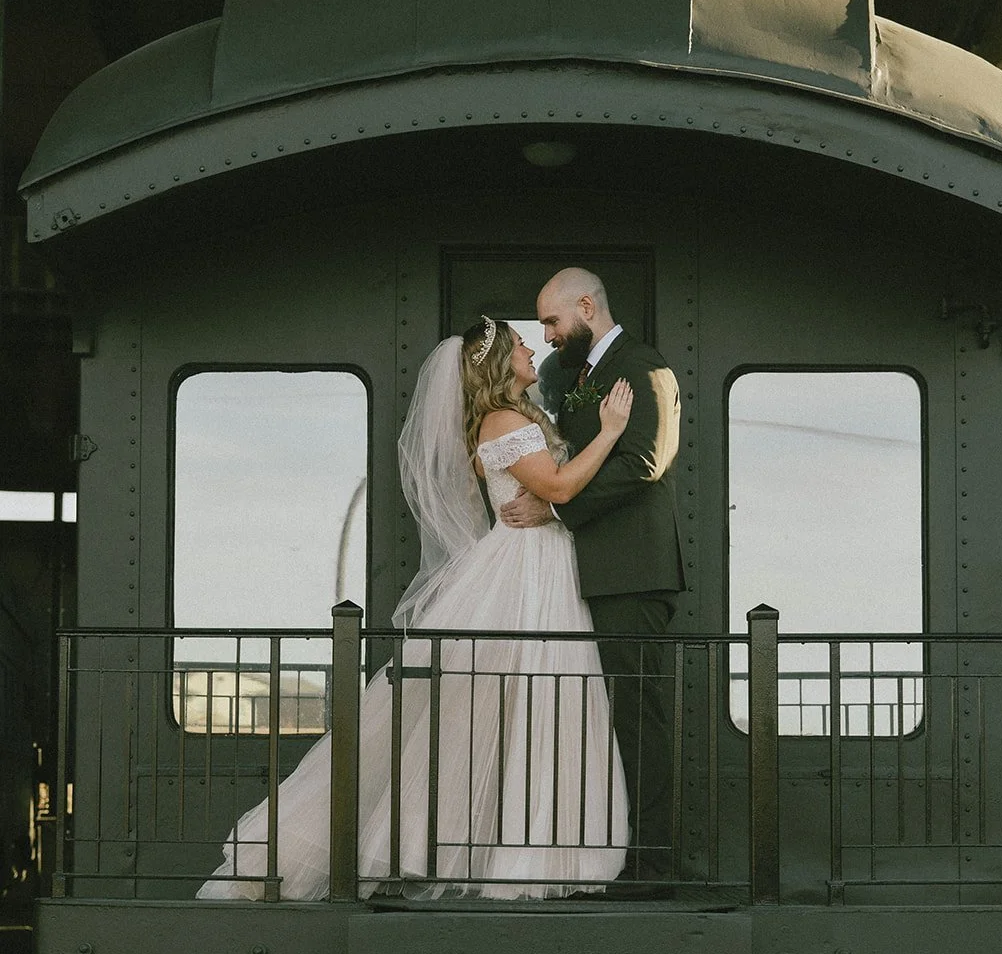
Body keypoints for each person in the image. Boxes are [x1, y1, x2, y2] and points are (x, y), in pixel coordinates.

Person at [197, 318, 633, 902]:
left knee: (525, 710)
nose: (531, 347)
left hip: (541, 568)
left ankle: (524, 851)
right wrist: (610, 431)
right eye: (521, 344)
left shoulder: (523, 415)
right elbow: (557, 489)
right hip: (523, 572)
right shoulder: (503, 420)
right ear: (499, 362)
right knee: (513, 707)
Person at [500, 268, 686, 884]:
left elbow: (646, 460)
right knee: (603, 717)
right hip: (587, 573)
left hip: (630, 571)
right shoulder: (577, 375)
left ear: (586, 306)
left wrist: (553, 505)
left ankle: (653, 864)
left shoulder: (644, 365)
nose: (547, 334)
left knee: (637, 715)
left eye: (552, 321)